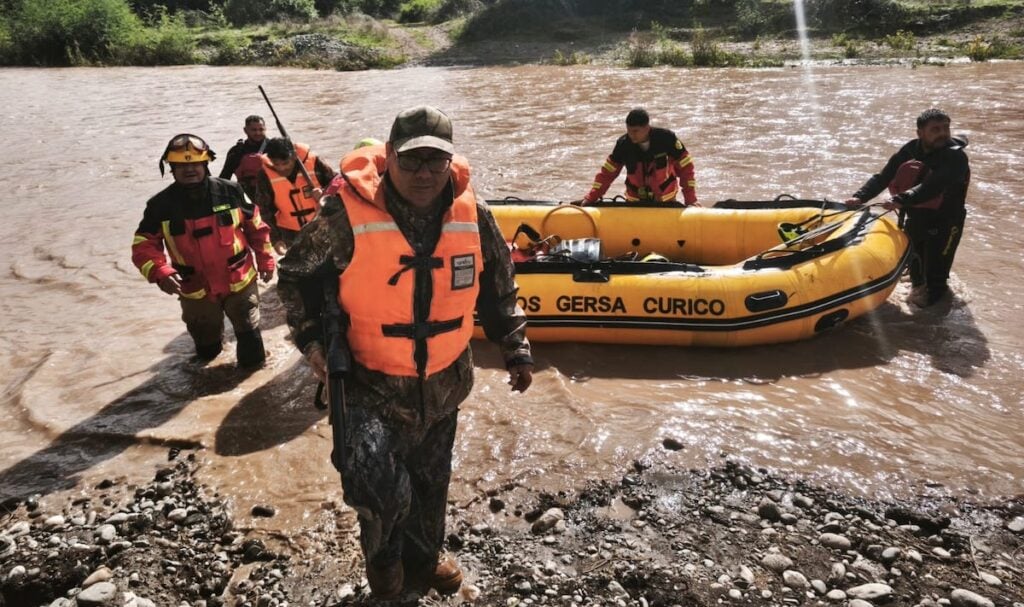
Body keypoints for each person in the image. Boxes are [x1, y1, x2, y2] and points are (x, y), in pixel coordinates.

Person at [276, 106, 533, 599]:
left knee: (432, 484)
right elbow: (293, 276)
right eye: (412, 160)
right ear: (390, 156)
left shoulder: (473, 214)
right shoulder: (343, 216)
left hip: (445, 383)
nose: (424, 174)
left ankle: (424, 560)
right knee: (378, 489)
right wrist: (311, 344)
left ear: (450, 162)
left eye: (435, 162)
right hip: (368, 384)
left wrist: (515, 347)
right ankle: (386, 573)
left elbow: (499, 284)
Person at [131, 133, 276, 367]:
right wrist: (160, 271)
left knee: (251, 344)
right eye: (182, 166)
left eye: (195, 164)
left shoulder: (231, 191)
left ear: (205, 164)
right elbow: (143, 245)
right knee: (206, 352)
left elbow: (257, 229)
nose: (190, 170)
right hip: (194, 288)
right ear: (172, 168)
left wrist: (266, 261)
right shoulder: (160, 205)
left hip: (239, 281)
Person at [844, 108, 970, 308]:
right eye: (935, 129)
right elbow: (884, 177)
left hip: (947, 221)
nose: (943, 134)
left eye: (946, 128)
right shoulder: (911, 149)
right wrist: (859, 196)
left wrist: (902, 198)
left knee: (936, 279)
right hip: (916, 216)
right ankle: (917, 293)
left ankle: (932, 323)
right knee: (915, 269)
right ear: (920, 133)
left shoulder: (956, 158)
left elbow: (934, 185)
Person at [576, 108, 699, 206]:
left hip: (665, 201)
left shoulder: (666, 139)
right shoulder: (623, 144)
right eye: (629, 131)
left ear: (647, 128)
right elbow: (607, 174)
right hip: (635, 203)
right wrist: (591, 197)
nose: (631, 135)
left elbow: (686, 168)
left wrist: (691, 200)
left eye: (635, 131)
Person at [253, 137, 336, 254]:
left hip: (323, 225)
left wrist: (325, 194)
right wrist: (275, 239)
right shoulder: (264, 174)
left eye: (286, 163)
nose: (282, 168)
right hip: (290, 232)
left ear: (294, 156)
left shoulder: (315, 162)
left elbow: (339, 186)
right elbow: (264, 209)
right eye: (277, 164)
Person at [218, 115, 268, 198]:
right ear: (245, 130)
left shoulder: (273, 148)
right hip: (245, 196)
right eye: (254, 130)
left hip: (271, 193)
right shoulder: (236, 152)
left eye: (261, 129)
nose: (258, 133)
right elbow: (224, 178)